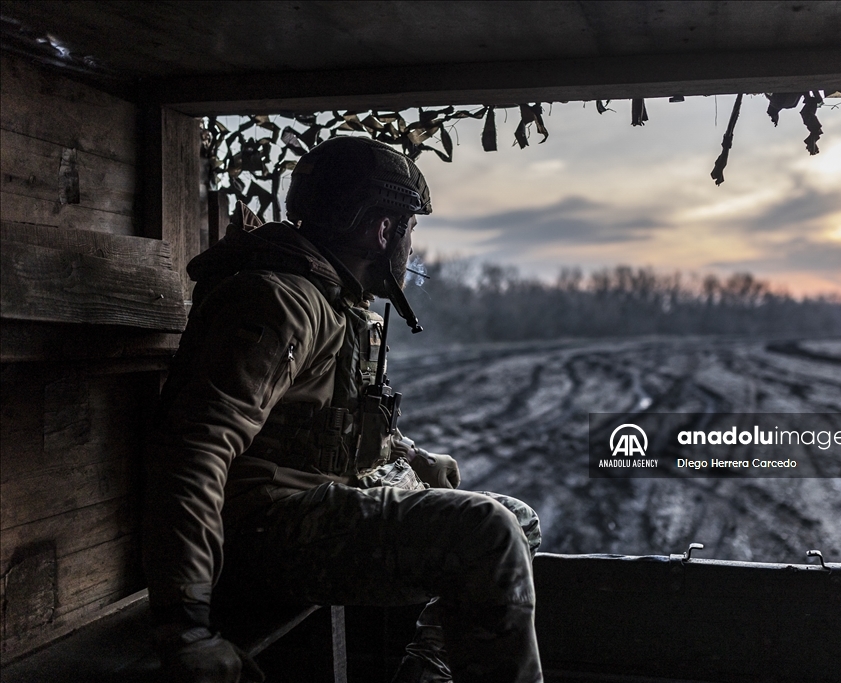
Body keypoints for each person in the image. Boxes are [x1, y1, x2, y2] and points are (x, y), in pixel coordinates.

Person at [143, 136, 543, 683]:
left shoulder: (332, 300)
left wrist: (411, 454)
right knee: (488, 531)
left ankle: (427, 673)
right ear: (382, 230)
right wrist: (186, 628)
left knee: (517, 520)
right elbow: (193, 452)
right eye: (409, 229)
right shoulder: (281, 301)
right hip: (261, 535)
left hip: (309, 511)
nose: (409, 248)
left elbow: (320, 419)